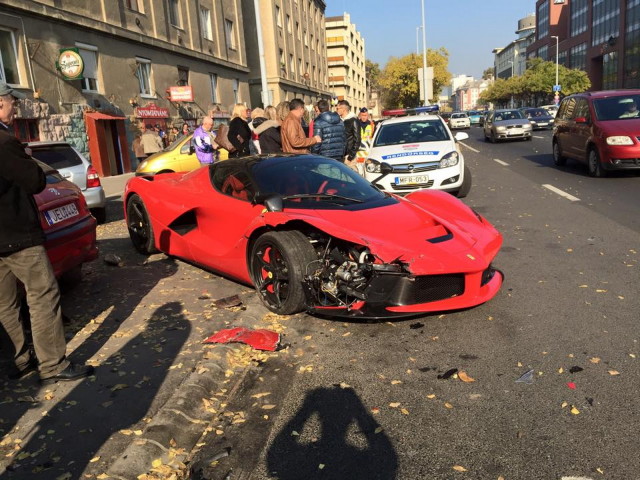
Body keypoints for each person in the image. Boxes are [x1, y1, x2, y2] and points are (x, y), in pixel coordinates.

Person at [0, 82, 94, 384]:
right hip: (16, 233)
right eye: (12, 102)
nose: (15, 107)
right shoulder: (4, 142)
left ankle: (20, 360)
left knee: (4, 303)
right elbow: (35, 182)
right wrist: (28, 160)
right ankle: (53, 364)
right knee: (43, 293)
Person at [336, 100, 361, 165]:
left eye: (337, 108)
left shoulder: (353, 121)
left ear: (343, 109)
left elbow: (357, 140)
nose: (336, 110)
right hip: (340, 156)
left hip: (349, 157)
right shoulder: (339, 121)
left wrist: (350, 156)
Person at [355, 107, 376, 175]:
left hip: (368, 151)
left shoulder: (371, 125)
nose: (364, 117)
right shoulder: (356, 124)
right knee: (359, 172)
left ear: (368, 115)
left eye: (365, 115)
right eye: (362, 115)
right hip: (358, 151)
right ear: (360, 115)